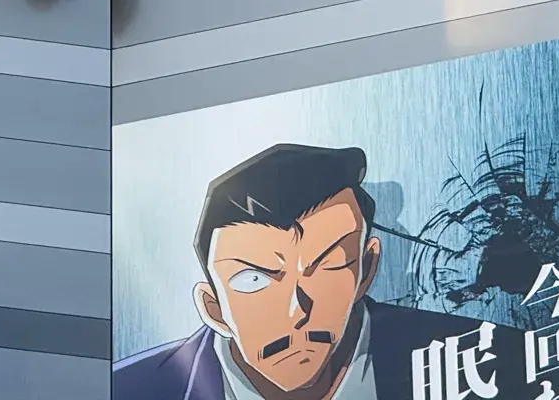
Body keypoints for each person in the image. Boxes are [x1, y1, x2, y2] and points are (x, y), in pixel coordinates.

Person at [114, 144, 505, 400]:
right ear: (213, 307)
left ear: (366, 269)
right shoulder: (125, 391)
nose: (297, 311)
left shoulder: (495, 365)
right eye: (254, 279)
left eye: (328, 265)